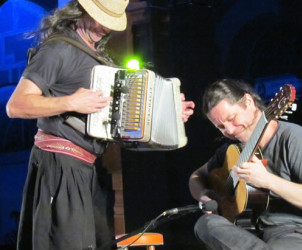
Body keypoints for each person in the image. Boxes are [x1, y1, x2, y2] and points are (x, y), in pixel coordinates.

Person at [6, 0, 195, 249]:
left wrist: (170, 113)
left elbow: (125, 123)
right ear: (81, 11)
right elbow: (16, 106)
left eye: (110, 22)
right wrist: (71, 101)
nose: (105, 27)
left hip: (88, 168)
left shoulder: (99, 59)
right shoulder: (58, 48)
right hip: (59, 163)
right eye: (100, 19)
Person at [188, 79, 302, 250]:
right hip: (254, 234)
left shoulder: (294, 138)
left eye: (232, 118)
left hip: (299, 233)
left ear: (249, 103)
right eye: (221, 126)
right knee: (204, 224)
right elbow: (196, 176)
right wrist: (204, 194)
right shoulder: (231, 151)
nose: (229, 130)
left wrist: (267, 180)